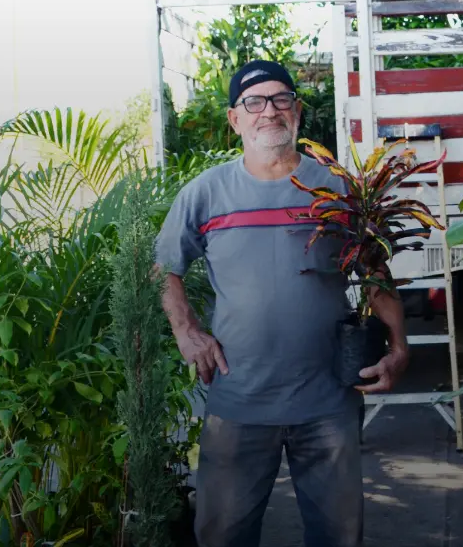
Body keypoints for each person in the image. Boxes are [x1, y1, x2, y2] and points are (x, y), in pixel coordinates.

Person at [155, 59, 409, 547]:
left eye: (280, 99)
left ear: (297, 111)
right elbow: (163, 267)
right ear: (235, 119)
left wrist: (399, 346)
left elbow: (375, 271)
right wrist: (187, 331)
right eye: (254, 102)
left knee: (339, 537)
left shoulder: (338, 189)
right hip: (238, 401)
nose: (268, 111)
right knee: (223, 536)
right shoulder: (206, 193)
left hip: (328, 401)